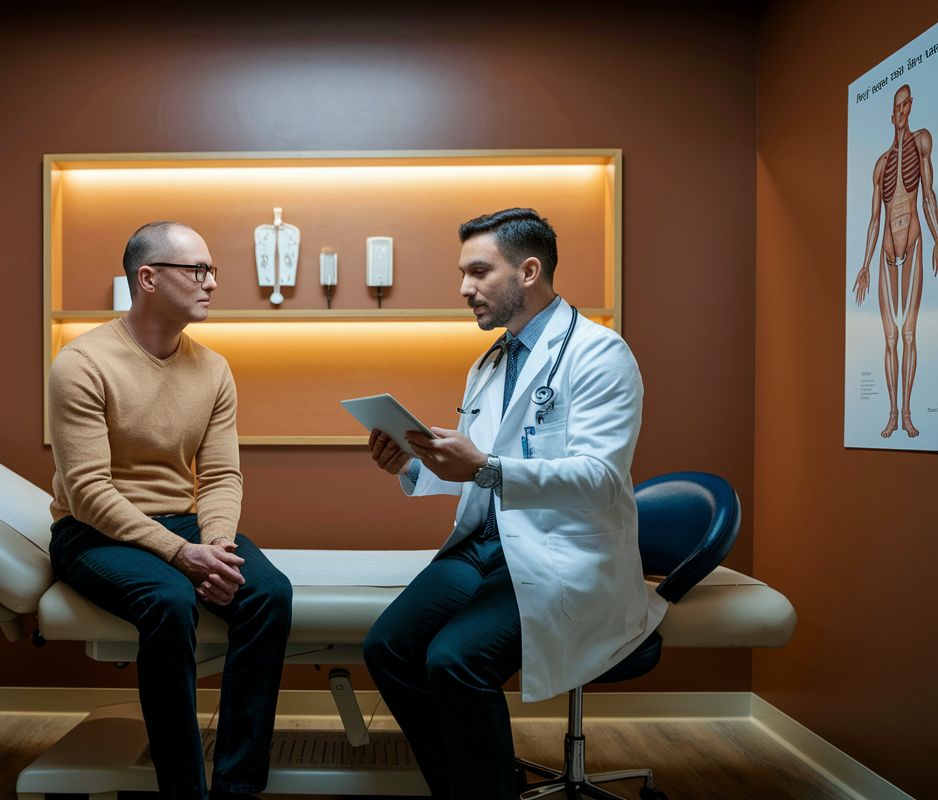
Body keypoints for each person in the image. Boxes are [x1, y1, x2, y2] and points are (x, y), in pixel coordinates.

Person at [362, 208, 666, 799]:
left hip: (562, 551)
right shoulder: (491, 361)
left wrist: (486, 467)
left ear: (529, 271)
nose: (464, 288)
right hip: (485, 545)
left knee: (455, 661)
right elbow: (480, 469)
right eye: (463, 273)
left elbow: (602, 479)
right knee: (389, 648)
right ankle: (473, 788)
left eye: (478, 272)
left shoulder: (600, 354)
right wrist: (416, 464)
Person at [47, 221, 292, 800]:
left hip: (180, 523)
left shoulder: (213, 369)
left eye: (211, 270)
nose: (211, 282)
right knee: (169, 598)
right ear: (148, 278)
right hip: (91, 532)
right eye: (197, 270)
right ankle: (184, 791)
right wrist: (183, 556)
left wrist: (219, 548)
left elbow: (221, 475)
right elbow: (86, 491)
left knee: (269, 594)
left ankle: (237, 786)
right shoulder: (80, 363)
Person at [852, 83, 938, 439]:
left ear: (911, 106)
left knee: (909, 333)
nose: (901, 111)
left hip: (914, 240)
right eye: (896, 107)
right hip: (886, 250)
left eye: (905, 105)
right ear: (891, 115)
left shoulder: (922, 141)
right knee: (889, 337)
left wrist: (937, 237)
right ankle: (891, 415)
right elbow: (874, 219)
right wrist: (864, 264)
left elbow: (929, 193)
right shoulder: (880, 164)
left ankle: (907, 414)